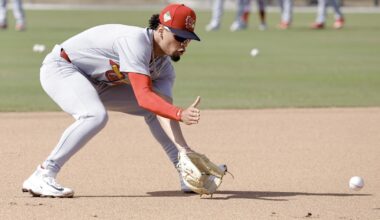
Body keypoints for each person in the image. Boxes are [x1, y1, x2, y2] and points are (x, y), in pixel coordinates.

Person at [22, 3, 202, 198]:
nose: (183, 44)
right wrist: (179, 113)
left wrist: (185, 150)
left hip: (97, 83)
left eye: (188, 39)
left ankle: (184, 171)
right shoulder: (136, 42)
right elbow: (143, 96)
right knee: (95, 115)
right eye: (179, 37)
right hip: (63, 68)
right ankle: (43, 174)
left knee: (156, 109)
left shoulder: (164, 69)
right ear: (161, 30)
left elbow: (162, 110)